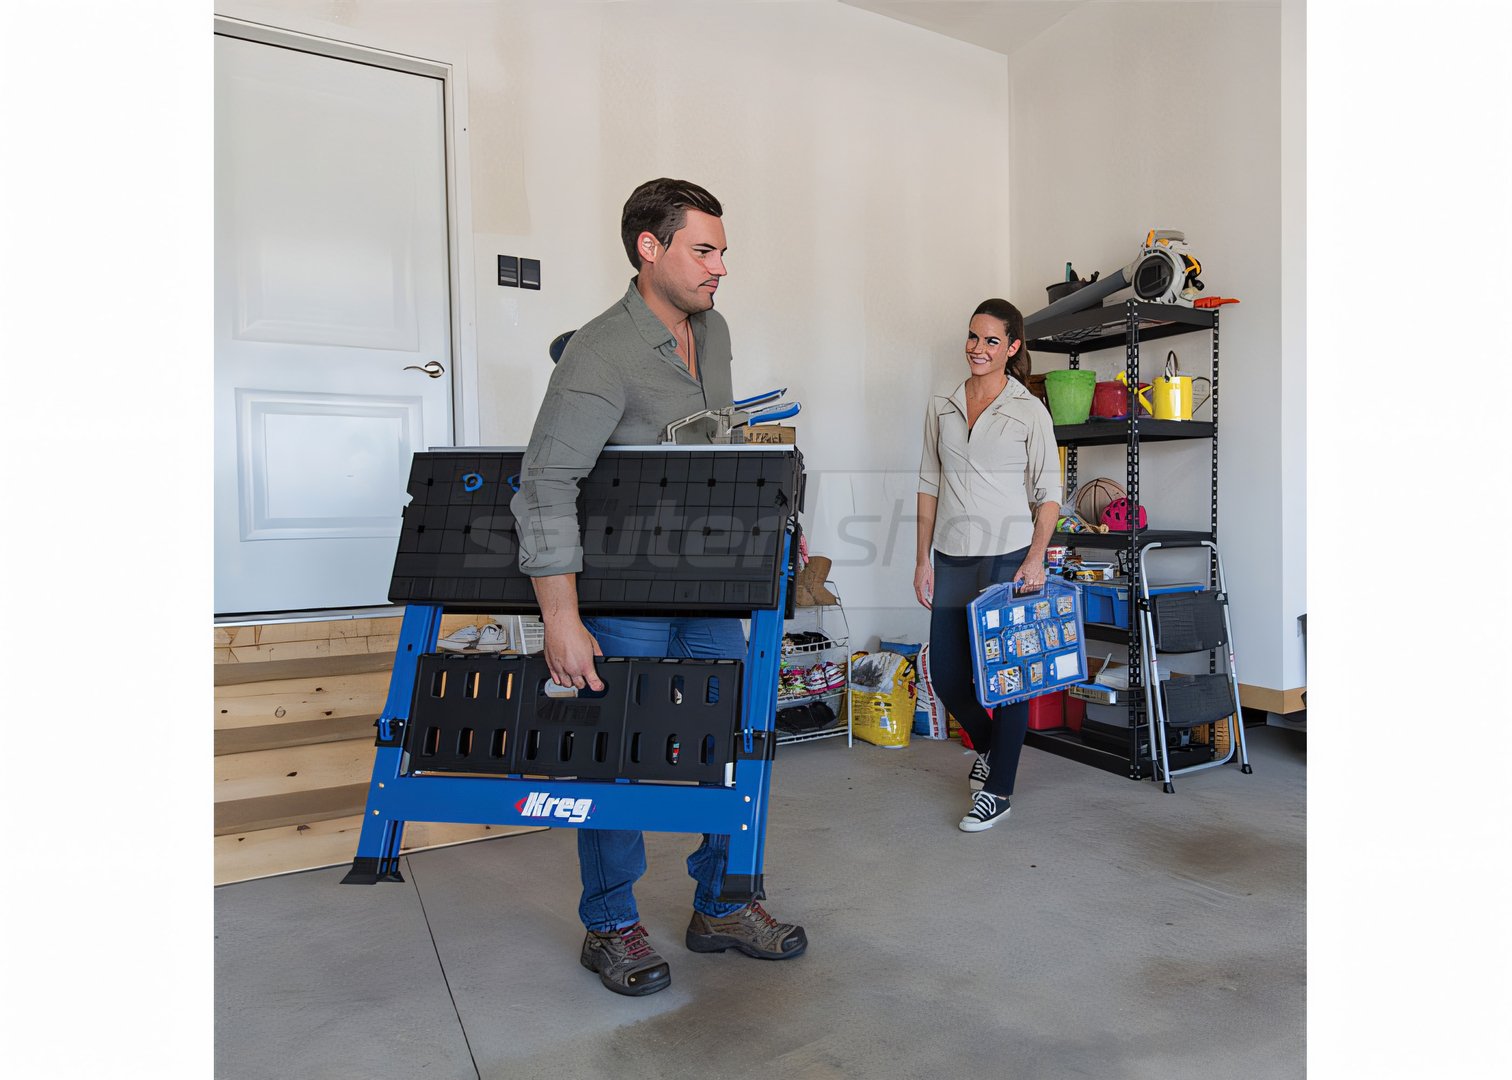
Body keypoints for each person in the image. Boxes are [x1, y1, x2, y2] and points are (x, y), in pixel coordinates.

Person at [510, 178, 807, 998]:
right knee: (618, 755)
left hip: (707, 584)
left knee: (736, 739)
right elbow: (544, 485)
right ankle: (610, 923)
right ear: (650, 247)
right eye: (703, 250)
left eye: (722, 251)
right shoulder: (599, 353)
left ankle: (723, 904)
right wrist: (561, 619)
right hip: (626, 591)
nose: (720, 268)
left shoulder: (715, 331)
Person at [914, 298, 1062, 832]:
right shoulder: (943, 404)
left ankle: (998, 790)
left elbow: (1049, 493)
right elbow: (928, 483)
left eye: (991, 340)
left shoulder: (1029, 410)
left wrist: (1036, 557)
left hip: (1008, 557)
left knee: (1010, 678)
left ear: (1012, 347)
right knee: (948, 674)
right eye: (973, 337)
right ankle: (990, 747)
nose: (978, 348)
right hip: (953, 555)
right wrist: (922, 559)